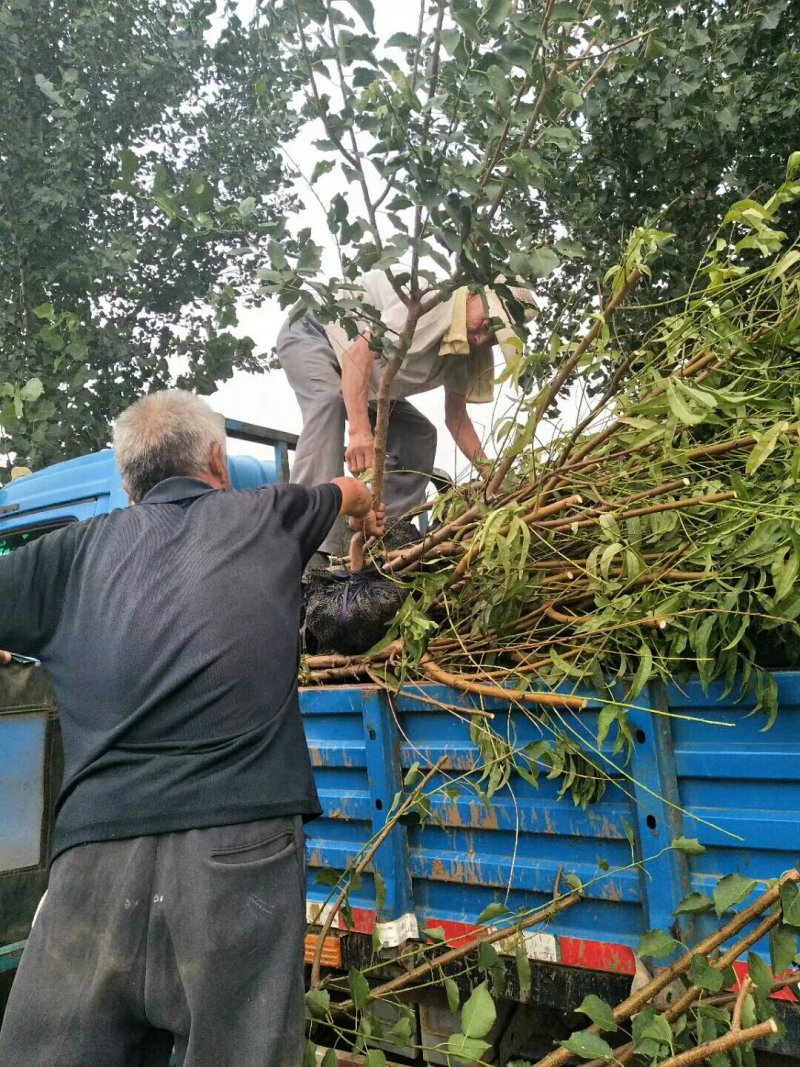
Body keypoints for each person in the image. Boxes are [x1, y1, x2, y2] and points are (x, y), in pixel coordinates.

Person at [0, 389, 383, 1067]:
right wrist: (365, 509)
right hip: (238, 851)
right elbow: (346, 488)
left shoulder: (65, 556)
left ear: (127, 482)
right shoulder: (268, 512)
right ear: (217, 459)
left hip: (94, 858)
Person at [276, 272, 535, 555]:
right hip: (316, 332)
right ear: (473, 296)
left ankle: (381, 534)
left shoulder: (462, 346)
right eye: (486, 324)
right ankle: (308, 544)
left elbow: (457, 419)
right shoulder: (426, 303)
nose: (482, 338)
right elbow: (359, 352)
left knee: (419, 434)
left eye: (494, 338)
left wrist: (494, 478)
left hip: (366, 381)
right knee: (328, 404)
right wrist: (360, 431)